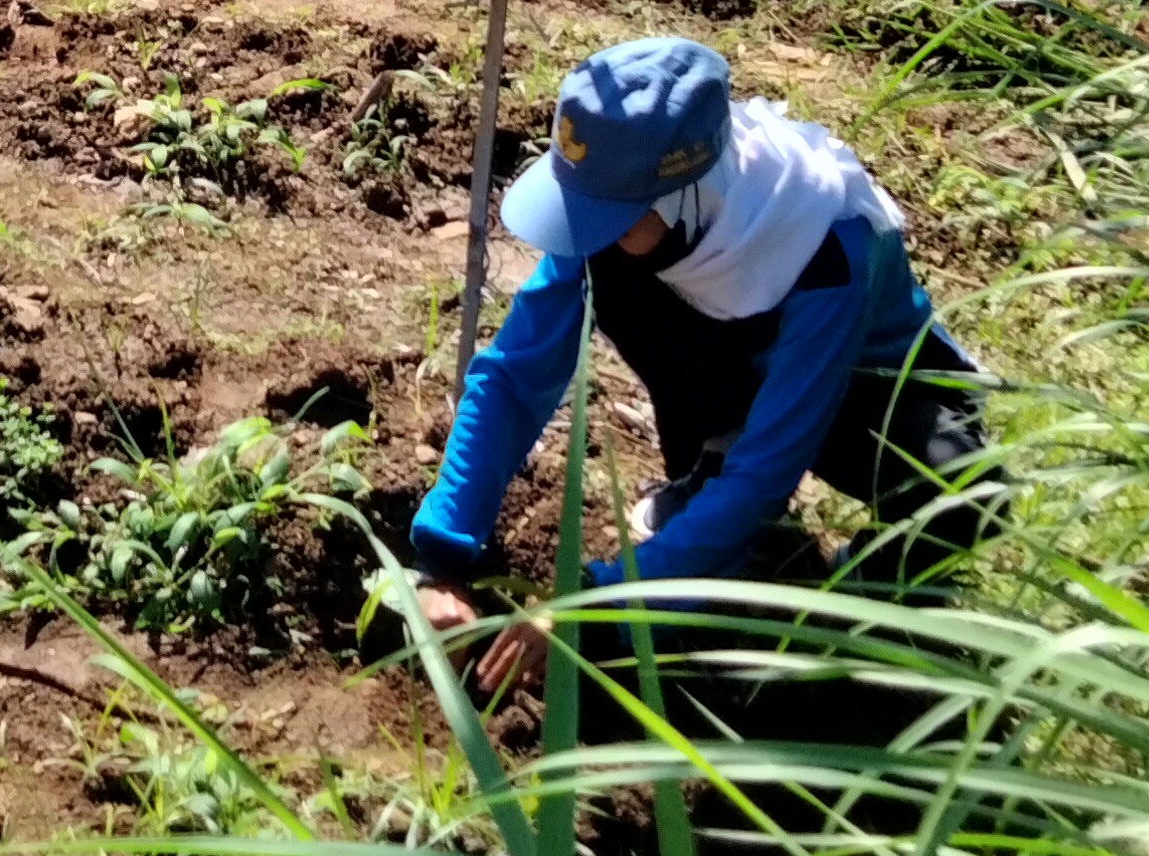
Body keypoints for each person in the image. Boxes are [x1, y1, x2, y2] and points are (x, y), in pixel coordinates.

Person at [407, 37, 998, 741]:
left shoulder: (828, 241)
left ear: (687, 195)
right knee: (632, 290)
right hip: (734, 379)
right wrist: (443, 556)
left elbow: (765, 473)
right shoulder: (629, 225)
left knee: (965, 491)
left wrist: (596, 609)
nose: (590, 233)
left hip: (859, 393)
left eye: (611, 217)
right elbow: (514, 374)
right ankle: (700, 500)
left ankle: (848, 604)